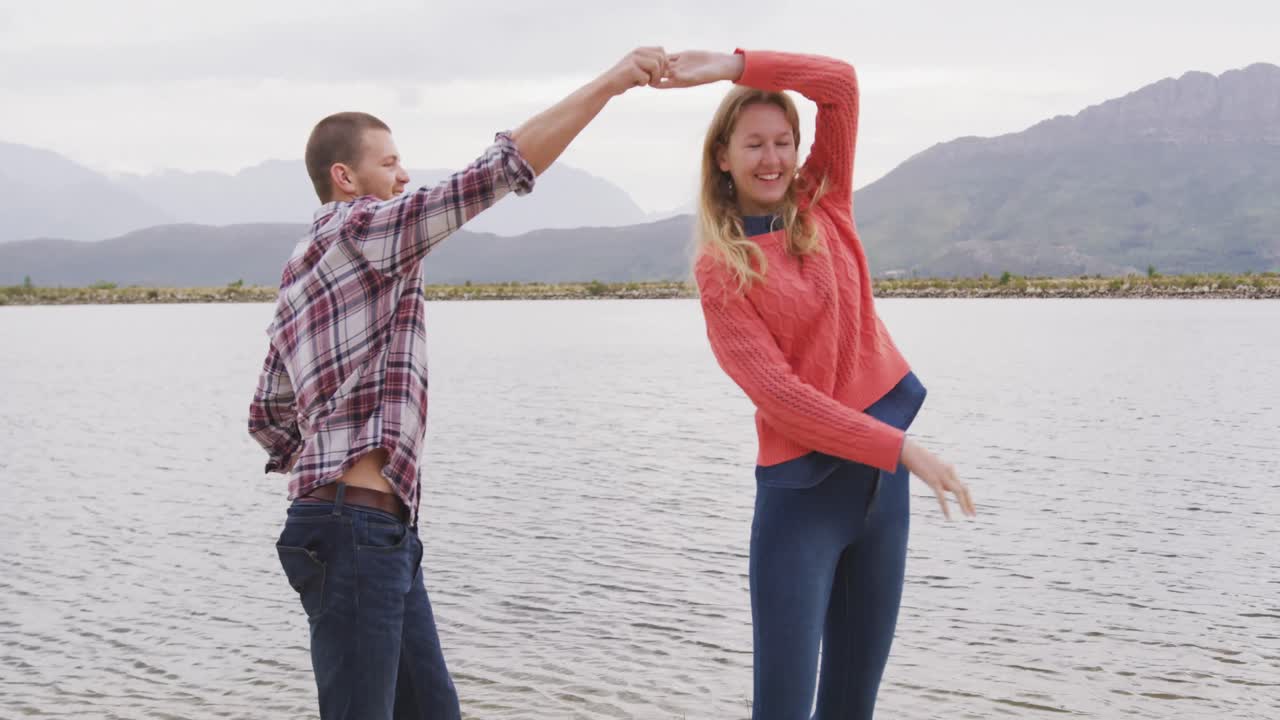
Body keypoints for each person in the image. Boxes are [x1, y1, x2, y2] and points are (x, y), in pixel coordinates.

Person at [248, 47, 671, 720]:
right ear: (344, 177)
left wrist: (331, 467)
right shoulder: (364, 229)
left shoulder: (301, 263)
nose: (403, 174)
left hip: (361, 530)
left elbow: (271, 412)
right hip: (357, 530)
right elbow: (493, 174)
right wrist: (614, 81)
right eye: (388, 163)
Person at [660, 48, 977, 719]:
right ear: (723, 156)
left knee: (851, 707)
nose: (771, 159)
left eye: (783, 142)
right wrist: (906, 451)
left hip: (880, 500)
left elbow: (840, 84)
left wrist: (732, 65)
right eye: (753, 144)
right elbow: (785, 402)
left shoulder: (826, 202)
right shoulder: (721, 272)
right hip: (802, 504)